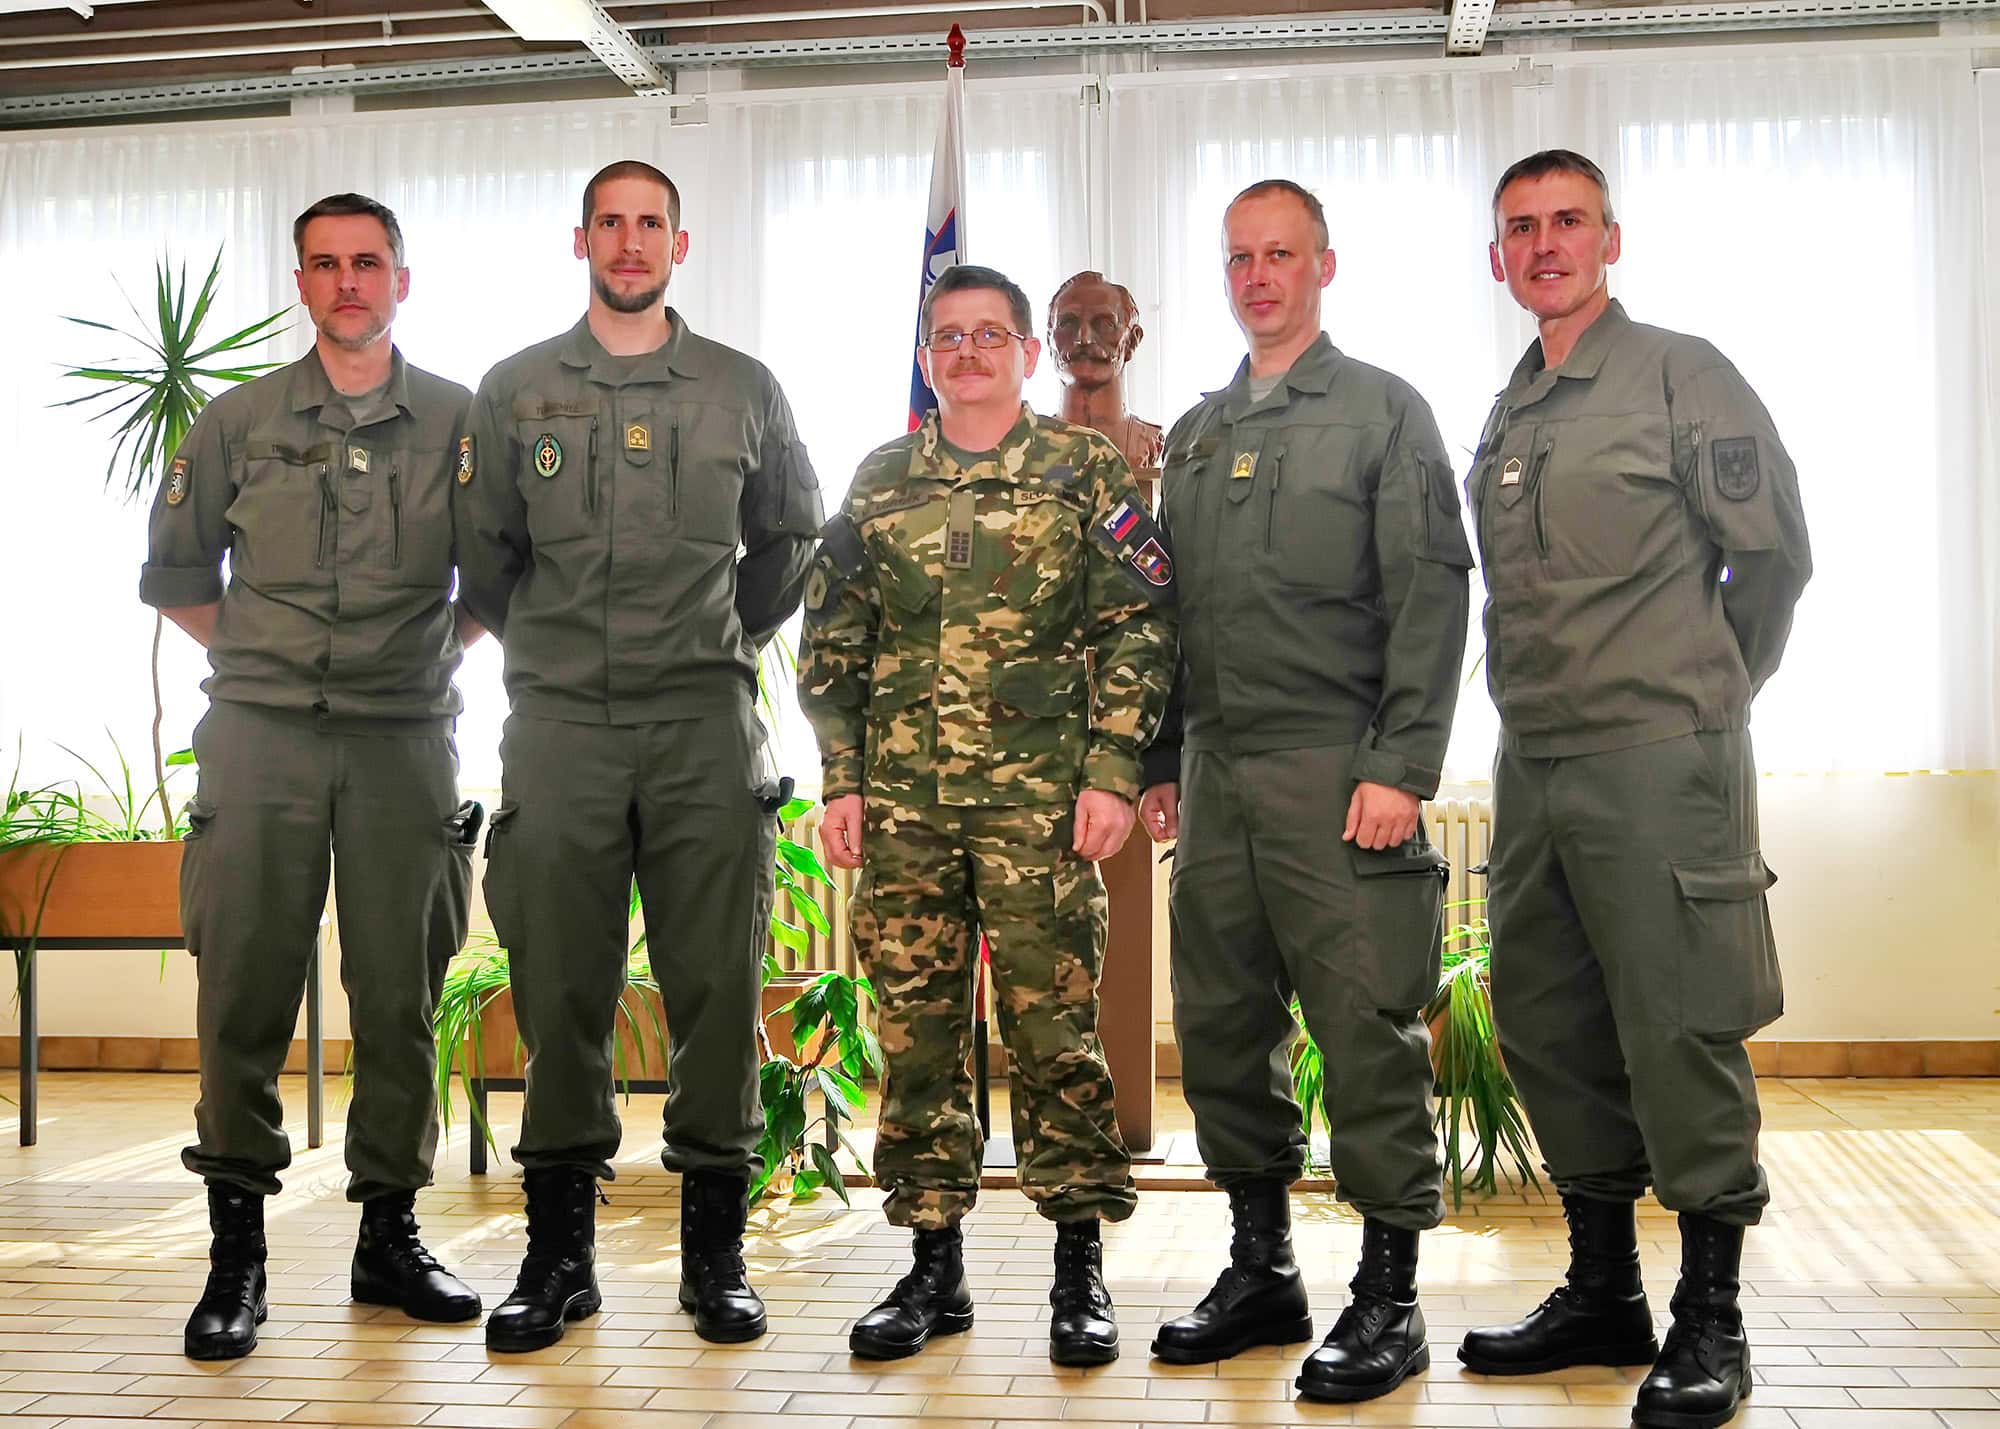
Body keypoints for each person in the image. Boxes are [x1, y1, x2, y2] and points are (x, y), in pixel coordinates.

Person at [1454, 149, 1811, 1429]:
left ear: (1610, 239)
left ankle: (1710, 1320)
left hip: (1659, 758)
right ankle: (1602, 1291)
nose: (1543, 244)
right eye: (1519, 227)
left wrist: (1701, 693)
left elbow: (1770, 561)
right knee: (1549, 1019)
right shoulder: (1512, 405)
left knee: (1678, 1024)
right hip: (1534, 759)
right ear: (1495, 257)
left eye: (1567, 221)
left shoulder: (1679, 373)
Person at [452, 159, 822, 1353]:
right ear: (581, 242)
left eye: (648, 223)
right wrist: (560, 649)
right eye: (608, 223)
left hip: (704, 724)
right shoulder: (514, 390)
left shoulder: (740, 388)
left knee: (715, 986)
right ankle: (557, 1257)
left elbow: (789, 541)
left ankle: (714, 1254)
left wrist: (710, 638)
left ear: (679, 242)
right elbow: (485, 559)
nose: (628, 241)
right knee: (561, 987)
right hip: (558, 726)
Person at [798, 263, 1177, 1366]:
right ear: (927, 358)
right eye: (948, 336)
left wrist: (1112, 769)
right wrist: (842, 778)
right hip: (905, 813)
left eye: (988, 334)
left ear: (1024, 353)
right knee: (917, 1037)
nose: (966, 351)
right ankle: (933, 1267)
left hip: (1040, 811)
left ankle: (1078, 1266)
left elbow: (1139, 622)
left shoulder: (1082, 470)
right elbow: (834, 641)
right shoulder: (880, 480)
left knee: (1054, 1034)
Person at [1137, 179, 1473, 1403]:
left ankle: (1388, 1298)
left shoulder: (1382, 411)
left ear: (1322, 265)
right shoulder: (1195, 431)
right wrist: (1163, 757)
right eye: (1238, 257)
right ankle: (1261, 1269)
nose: (1257, 276)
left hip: (1340, 771)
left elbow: (1431, 592)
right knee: (1223, 1029)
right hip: (1217, 776)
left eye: (1279, 254)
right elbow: (1167, 612)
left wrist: (1400, 765)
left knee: (1365, 1034)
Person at [142, 193, 484, 1361]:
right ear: (300, 283)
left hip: (404, 742)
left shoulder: (462, 423)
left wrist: (419, 660)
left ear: (401, 280)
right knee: (242, 992)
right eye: (326, 264)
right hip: (260, 741)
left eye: (368, 262)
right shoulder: (234, 422)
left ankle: (389, 1236)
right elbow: (179, 578)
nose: (348, 282)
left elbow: (500, 577)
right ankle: (236, 1257)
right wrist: (270, 662)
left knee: (400, 994)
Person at [1047, 270, 1163, 474]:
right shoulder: (1028, 446)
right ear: (1049, 340)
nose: (1083, 339)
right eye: (1067, 323)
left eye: (1104, 324)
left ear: (1132, 340)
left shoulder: (1152, 443)